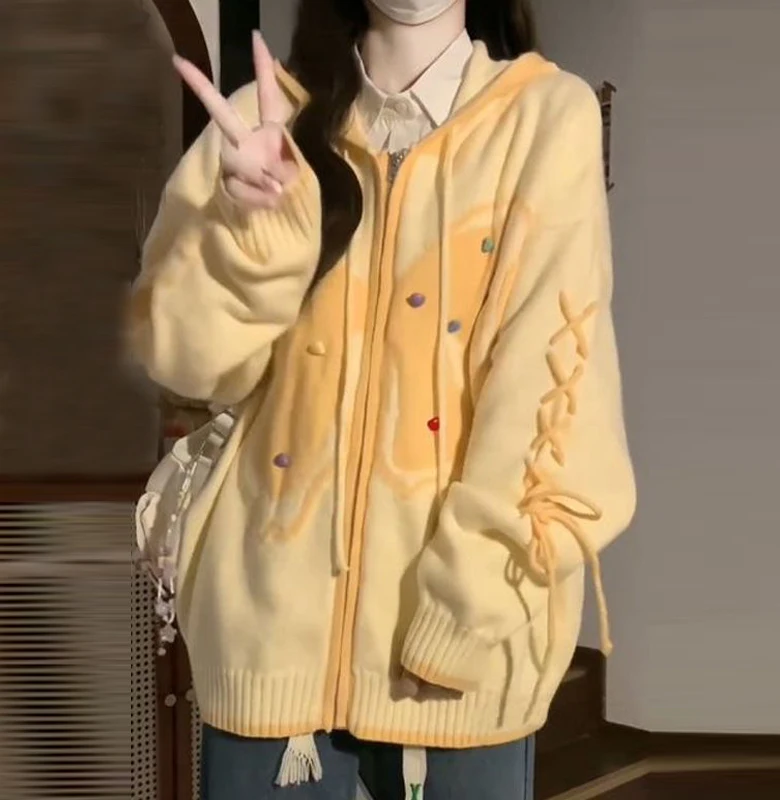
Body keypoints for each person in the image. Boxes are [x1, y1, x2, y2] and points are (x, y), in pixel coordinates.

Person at [127, 0, 637, 797]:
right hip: (266, 635)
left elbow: (553, 383)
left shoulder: (544, 117)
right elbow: (186, 365)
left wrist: (466, 608)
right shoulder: (265, 120)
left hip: (465, 654)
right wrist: (249, 234)